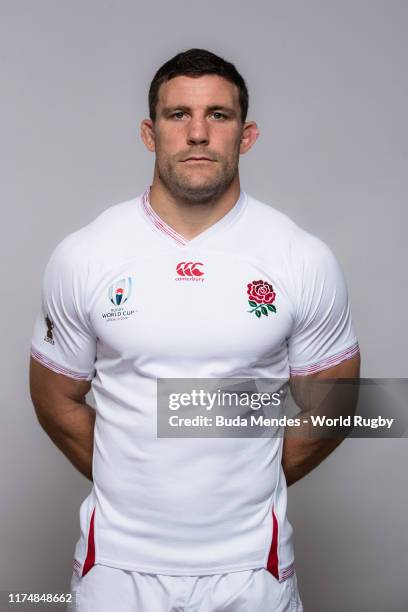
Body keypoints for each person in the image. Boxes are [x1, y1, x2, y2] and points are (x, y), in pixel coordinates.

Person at [29, 48, 360, 611]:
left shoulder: (300, 257)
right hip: (116, 567)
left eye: (219, 116)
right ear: (149, 132)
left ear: (247, 134)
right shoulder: (86, 255)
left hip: (252, 570)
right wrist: (132, 474)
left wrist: (248, 475)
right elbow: (55, 397)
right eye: (179, 115)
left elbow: (337, 402)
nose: (198, 133)